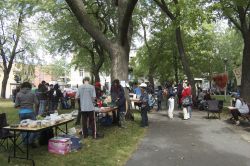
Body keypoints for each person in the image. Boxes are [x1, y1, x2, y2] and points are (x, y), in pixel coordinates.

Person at [15, 82, 39, 147]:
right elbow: (37, 103)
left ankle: (25, 142)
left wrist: (22, 106)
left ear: (22, 86)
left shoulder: (18, 94)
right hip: (30, 112)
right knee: (34, 127)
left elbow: (16, 105)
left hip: (22, 112)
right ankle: (31, 141)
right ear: (29, 87)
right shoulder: (32, 93)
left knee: (24, 128)